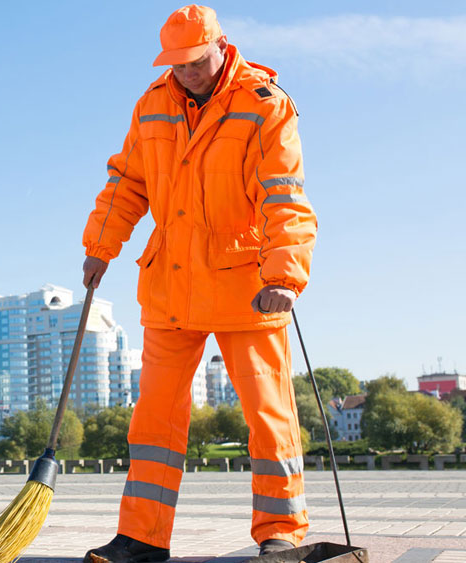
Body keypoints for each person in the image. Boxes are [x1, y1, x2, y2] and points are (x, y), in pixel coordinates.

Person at [80, 5, 316, 562]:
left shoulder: (263, 104)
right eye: (176, 63)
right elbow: (126, 184)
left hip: (247, 286)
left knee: (267, 412)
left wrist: (285, 274)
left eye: (194, 61)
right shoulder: (152, 103)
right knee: (154, 418)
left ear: (220, 45)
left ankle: (280, 532)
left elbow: (284, 196)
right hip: (170, 285)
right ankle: (141, 537)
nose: (185, 72)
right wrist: (99, 247)